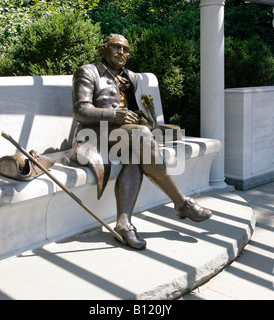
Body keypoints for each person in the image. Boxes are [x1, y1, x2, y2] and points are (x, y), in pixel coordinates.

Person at [67, 34, 212, 249]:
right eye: (116, 48)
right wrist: (113, 115)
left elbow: (134, 110)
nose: (121, 53)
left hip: (124, 136)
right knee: (141, 138)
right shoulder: (88, 72)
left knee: (135, 156)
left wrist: (143, 118)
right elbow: (81, 110)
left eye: (125, 50)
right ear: (103, 49)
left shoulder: (130, 77)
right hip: (93, 134)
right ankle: (182, 202)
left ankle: (123, 224)